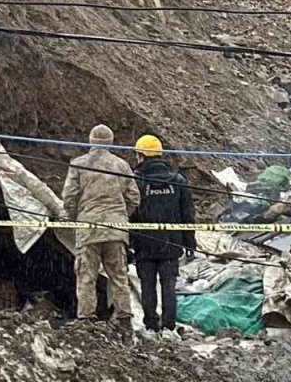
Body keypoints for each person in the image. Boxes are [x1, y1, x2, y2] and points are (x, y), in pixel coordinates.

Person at [62, 124, 141, 323]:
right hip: (116, 230)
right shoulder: (121, 165)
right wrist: (122, 216)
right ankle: (124, 317)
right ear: (111, 142)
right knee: (119, 276)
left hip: (88, 229)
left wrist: (75, 218)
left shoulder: (78, 164)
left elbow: (69, 197)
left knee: (86, 276)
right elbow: (134, 197)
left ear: (90, 141)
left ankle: (86, 318)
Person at [130, 134, 196, 336]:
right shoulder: (178, 181)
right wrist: (190, 242)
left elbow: (131, 212)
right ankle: (169, 325)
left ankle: (151, 324)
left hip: (145, 243)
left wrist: (130, 241)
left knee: (147, 285)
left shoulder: (136, 181)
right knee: (169, 285)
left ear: (141, 156)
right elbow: (188, 214)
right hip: (171, 242)